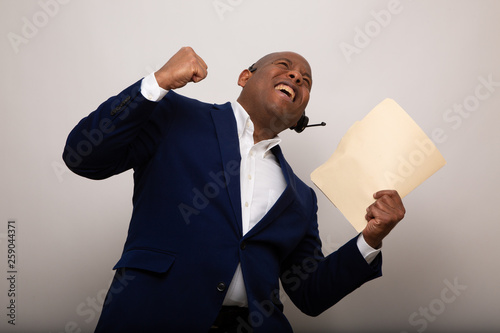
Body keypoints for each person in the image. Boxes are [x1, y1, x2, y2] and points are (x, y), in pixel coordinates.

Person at [63, 47, 405, 333]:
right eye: (285, 67)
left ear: (301, 111)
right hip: (151, 318)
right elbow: (84, 156)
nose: (297, 77)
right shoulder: (176, 115)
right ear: (245, 77)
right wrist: (158, 82)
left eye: (306, 80)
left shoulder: (302, 197)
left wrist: (371, 238)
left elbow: (310, 294)